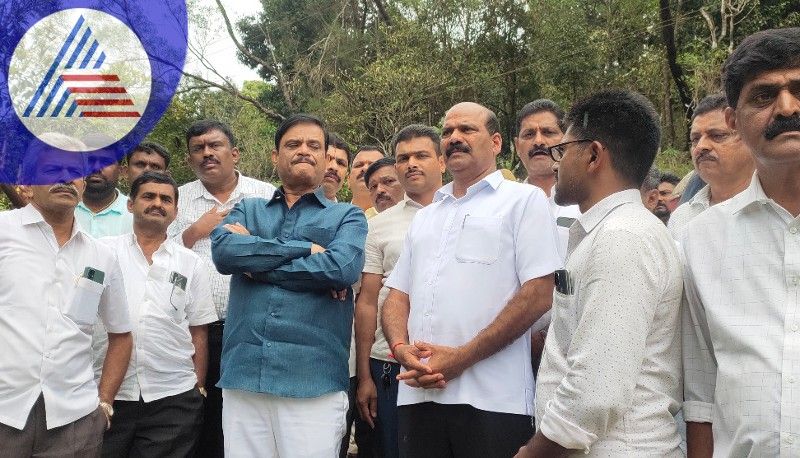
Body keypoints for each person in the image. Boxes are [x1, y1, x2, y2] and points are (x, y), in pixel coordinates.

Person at [381, 102, 561, 458]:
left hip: (494, 399)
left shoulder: (523, 201)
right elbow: (397, 296)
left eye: (466, 130)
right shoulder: (427, 216)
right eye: (447, 132)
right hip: (418, 392)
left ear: (496, 143)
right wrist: (402, 351)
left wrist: (461, 358)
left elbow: (540, 293)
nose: (454, 138)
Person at [519, 90, 683, 457]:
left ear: (593, 155)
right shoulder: (610, 232)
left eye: (562, 150)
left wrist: (531, 454)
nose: (555, 163)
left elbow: (595, 390)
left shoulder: (621, 238)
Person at [211, 114, 368, 457]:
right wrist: (304, 251)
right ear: (275, 156)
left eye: (314, 145)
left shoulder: (346, 217)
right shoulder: (249, 208)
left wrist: (255, 261)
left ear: (327, 158)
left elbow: (340, 268)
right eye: (293, 144)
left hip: (312, 382)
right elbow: (224, 253)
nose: (304, 151)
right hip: (244, 377)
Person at [682, 27, 800, 457]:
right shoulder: (702, 238)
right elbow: (700, 388)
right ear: (734, 118)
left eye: (798, 89)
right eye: (764, 96)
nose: (787, 107)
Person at [0, 133, 133, 457]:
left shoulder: (101, 256)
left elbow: (122, 335)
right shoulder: (4, 232)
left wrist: (104, 403)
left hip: (75, 421)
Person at [167, 119, 276, 458]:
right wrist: (194, 231)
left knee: (244, 417)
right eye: (198, 149)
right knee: (194, 416)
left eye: (214, 145)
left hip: (251, 328)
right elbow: (156, 255)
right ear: (188, 160)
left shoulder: (266, 195)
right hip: (190, 331)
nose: (207, 153)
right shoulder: (176, 198)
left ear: (235, 153)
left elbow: (281, 248)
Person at [95, 172, 217, 457]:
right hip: (108, 394)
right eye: (148, 196)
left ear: (175, 211)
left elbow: (198, 330)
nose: (157, 204)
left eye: (166, 199)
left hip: (173, 397)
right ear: (130, 204)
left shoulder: (191, 263)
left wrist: (198, 387)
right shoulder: (102, 252)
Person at [355, 124, 445, 458]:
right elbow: (366, 302)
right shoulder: (378, 225)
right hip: (390, 363)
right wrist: (366, 375)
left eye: (421, 155)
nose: (411, 164)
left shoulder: (472, 213)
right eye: (403, 157)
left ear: (441, 160)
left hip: (456, 358)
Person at [667, 93, 754, 241]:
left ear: (750, 138)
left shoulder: (782, 206)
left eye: (717, 135)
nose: (701, 146)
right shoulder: (683, 218)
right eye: (695, 139)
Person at [513, 99, 581, 258]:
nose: (538, 141)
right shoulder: (505, 205)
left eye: (548, 132)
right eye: (529, 134)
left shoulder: (587, 202)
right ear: (517, 146)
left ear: (566, 141)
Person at [75, 135, 134, 237]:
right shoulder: (61, 207)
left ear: (120, 171)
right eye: (90, 161)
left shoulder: (135, 213)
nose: (96, 167)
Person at [349, 146, 386, 216]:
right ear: (348, 180)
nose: (365, 168)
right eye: (359, 165)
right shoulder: (335, 218)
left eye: (373, 165)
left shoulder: (402, 220)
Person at [323, 133, 351, 201]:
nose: (334, 167)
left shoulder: (349, 211)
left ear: (347, 174)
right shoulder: (293, 207)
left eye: (341, 163)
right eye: (327, 158)